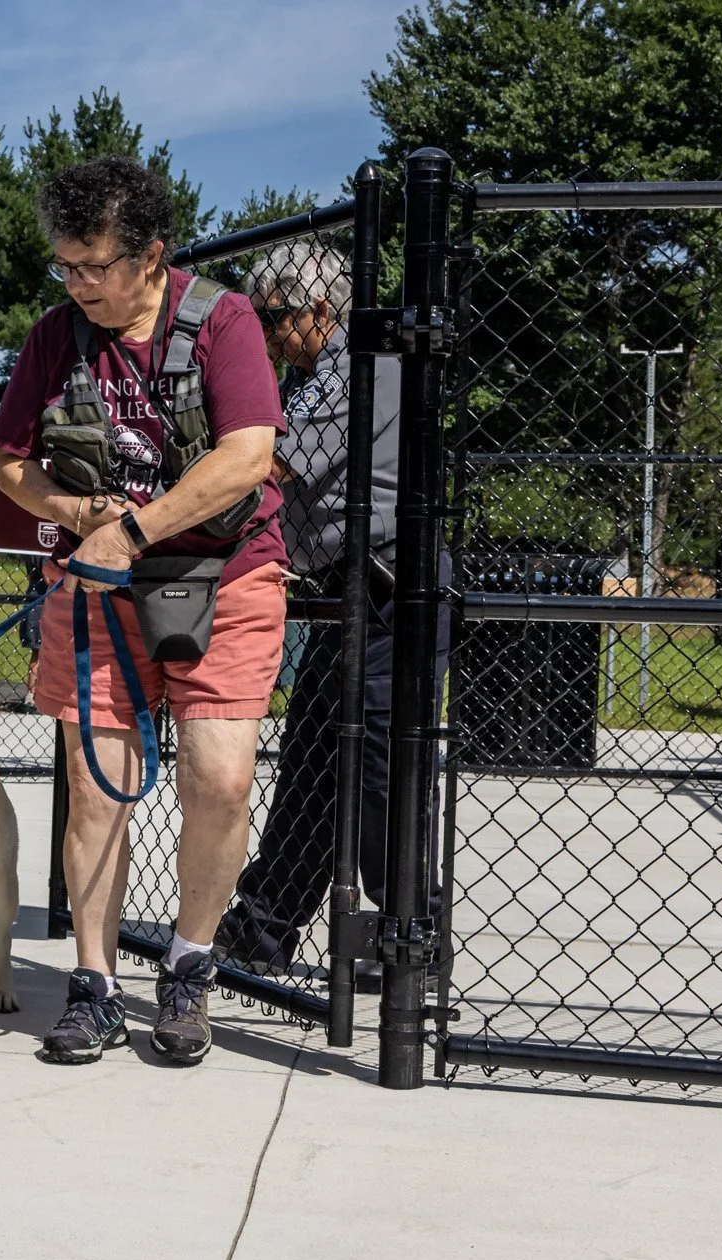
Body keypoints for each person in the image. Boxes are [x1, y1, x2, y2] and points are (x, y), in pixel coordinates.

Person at [0, 157, 288, 1066]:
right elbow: (9, 464)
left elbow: (246, 455)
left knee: (220, 777)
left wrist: (136, 530)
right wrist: (83, 518)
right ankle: (95, 984)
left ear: (152, 256)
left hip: (225, 576)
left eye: (94, 266)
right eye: (65, 267)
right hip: (96, 592)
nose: (77, 284)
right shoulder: (54, 338)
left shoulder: (222, 321)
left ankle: (190, 967)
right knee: (95, 791)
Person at [216, 241, 436, 989]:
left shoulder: (349, 367)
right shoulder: (308, 371)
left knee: (377, 767)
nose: (267, 335)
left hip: (388, 591)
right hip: (347, 595)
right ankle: (264, 925)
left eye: (274, 318)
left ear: (318, 309)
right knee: (312, 758)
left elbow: (265, 463)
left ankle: (411, 930)